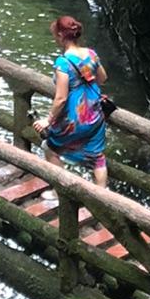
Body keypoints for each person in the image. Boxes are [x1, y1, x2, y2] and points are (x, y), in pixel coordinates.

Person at [33, 15, 109, 188]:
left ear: (60, 36)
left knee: (49, 147)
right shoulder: (91, 54)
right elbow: (103, 78)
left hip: (74, 121)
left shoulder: (63, 63)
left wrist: (48, 120)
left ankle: (64, 190)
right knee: (97, 158)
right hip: (95, 116)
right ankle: (102, 199)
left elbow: (61, 98)